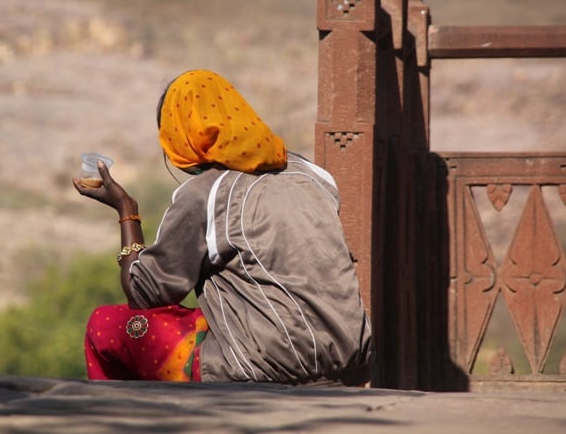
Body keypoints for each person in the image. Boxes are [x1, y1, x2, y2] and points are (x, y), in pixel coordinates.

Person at [73, 69, 372, 385]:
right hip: (350, 356)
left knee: (104, 325)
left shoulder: (206, 193)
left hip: (269, 363)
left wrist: (126, 210)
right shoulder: (313, 175)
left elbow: (143, 293)